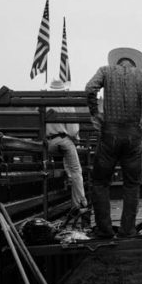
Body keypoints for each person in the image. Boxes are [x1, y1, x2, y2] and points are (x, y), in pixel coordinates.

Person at [85, 47, 142, 238]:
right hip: (133, 135)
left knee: (100, 182)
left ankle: (104, 229)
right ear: (135, 63)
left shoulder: (105, 71)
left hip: (109, 133)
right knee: (132, 183)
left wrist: (95, 113)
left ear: (117, 62)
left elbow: (90, 89)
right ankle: (127, 229)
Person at [45, 80, 89, 216]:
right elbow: (73, 130)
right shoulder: (67, 105)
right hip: (63, 140)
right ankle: (80, 203)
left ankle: (68, 176)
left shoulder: (44, 105)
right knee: (76, 170)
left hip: (48, 143)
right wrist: (76, 140)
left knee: (68, 157)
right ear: (63, 91)